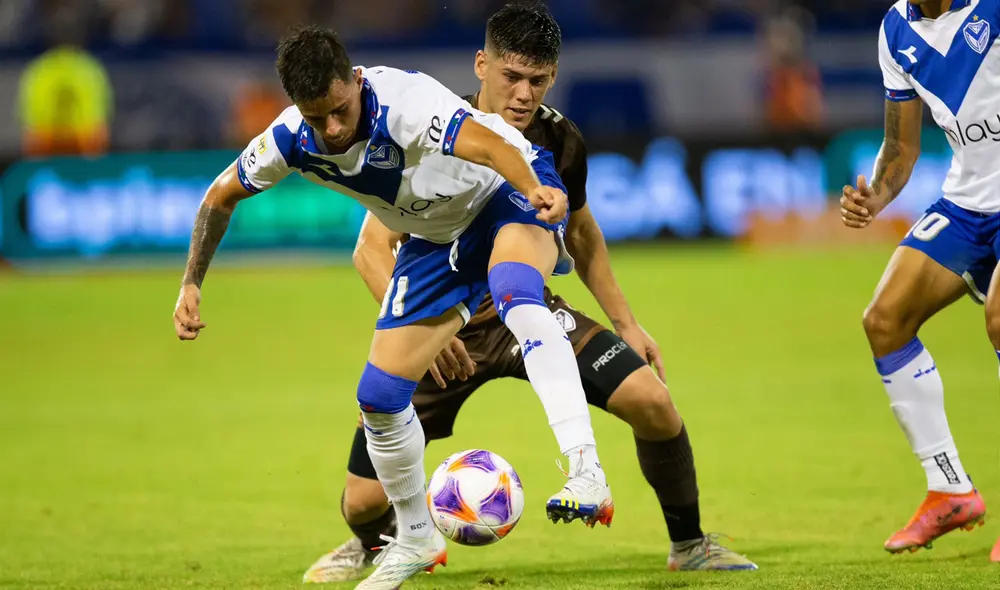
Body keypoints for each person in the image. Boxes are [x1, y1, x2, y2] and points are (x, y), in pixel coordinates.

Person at [302, 4, 757, 584]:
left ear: (553, 77)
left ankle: (689, 545)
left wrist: (628, 324)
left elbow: (584, 235)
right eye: (510, 77)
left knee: (654, 404)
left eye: (536, 80)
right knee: (363, 500)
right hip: (446, 332)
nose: (522, 94)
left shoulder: (560, 140)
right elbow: (370, 250)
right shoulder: (432, 128)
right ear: (481, 65)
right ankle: (372, 544)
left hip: (528, 315)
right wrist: (425, 329)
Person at [172, 22, 616, 589]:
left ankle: (586, 473)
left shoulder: (407, 105)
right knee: (379, 400)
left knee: (514, 294)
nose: (332, 128)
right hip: (436, 240)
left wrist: (533, 188)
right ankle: (414, 536)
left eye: (339, 109)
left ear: (354, 81)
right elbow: (219, 196)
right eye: (316, 117)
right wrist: (192, 283)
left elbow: (491, 144)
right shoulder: (288, 140)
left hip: (504, 191)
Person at [841, 0, 997, 557]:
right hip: (968, 204)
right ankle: (949, 488)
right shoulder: (895, 29)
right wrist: (875, 198)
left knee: (999, 318)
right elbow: (903, 146)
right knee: (885, 320)